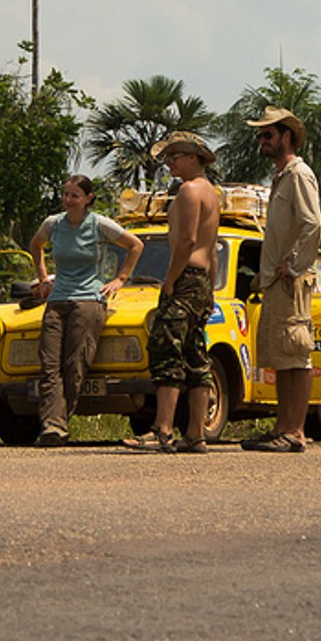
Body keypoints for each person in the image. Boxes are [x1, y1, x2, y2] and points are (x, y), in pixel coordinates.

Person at [122, 132, 220, 454]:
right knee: (195, 356)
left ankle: (162, 429)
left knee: (167, 349)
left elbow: (188, 241)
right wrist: (211, 291)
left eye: (175, 157)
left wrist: (170, 281)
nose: (170, 163)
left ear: (194, 157)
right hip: (202, 281)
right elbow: (213, 250)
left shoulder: (191, 191)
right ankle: (196, 433)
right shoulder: (211, 193)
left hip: (185, 278)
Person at [28, 175, 144, 448]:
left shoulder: (99, 224)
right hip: (57, 299)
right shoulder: (53, 224)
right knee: (49, 363)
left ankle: (58, 423)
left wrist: (119, 279)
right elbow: (36, 245)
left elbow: (136, 245)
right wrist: (43, 278)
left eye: (75, 196)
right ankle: (52, 426)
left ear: (87, 199)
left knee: (75, 363)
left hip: (89, 300)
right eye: (66, 194)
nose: (69, 200)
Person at [243, 106, 321, 453]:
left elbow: (313, 224)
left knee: (296, 351)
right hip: (276, 282)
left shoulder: (300, 175)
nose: (263, 141)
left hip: (292, 281)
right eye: (261, 135)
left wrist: (292, 265)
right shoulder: (281, 177)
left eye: (268, 135)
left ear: (286, 136)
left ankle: (295, 430)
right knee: (282, 357)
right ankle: (283, 427)